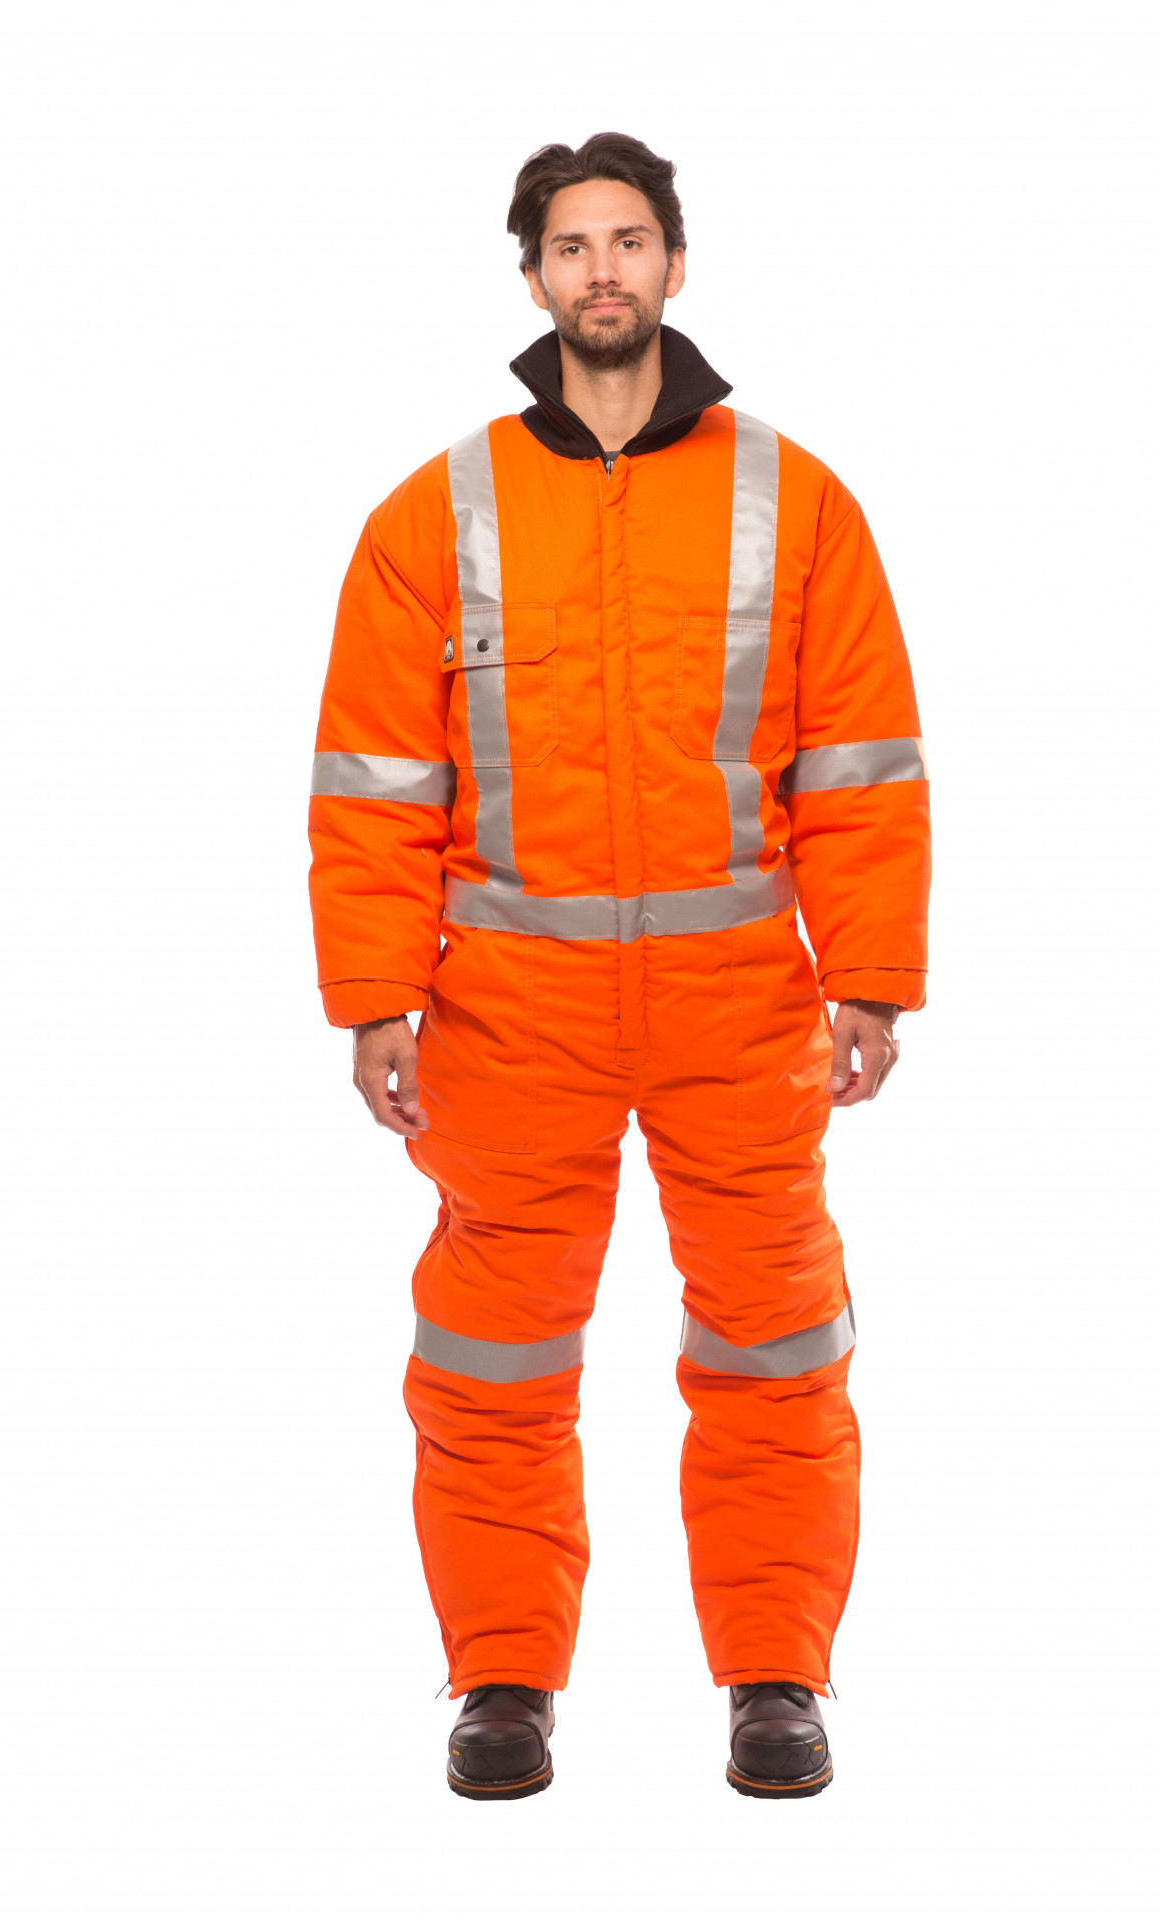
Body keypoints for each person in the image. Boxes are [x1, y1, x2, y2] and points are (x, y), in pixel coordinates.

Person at [307, 132, 930, 1799]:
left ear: (675, 264)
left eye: (630, 240)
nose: (603, 271)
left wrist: (872, 978)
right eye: (573, 246)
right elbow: (374, 784)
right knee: (492, 1358)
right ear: (531, 278)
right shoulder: (435, 513)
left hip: (744, 1007)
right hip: (511, 1016)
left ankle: (777, 1675)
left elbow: (862, 766)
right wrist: (373, 996)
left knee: (776, 1345)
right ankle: (502, 1680)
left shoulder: (794, 499)